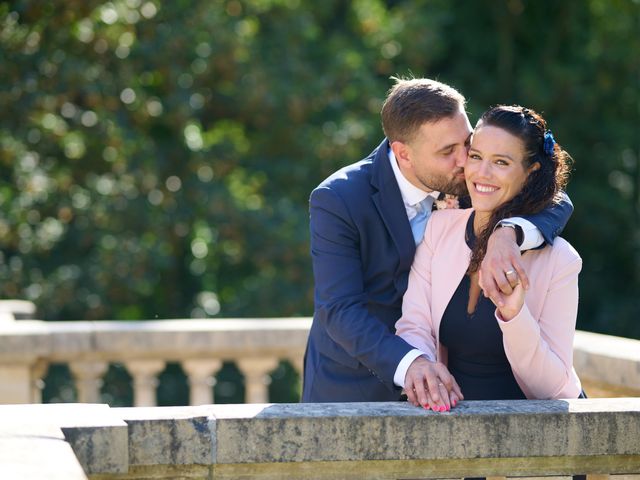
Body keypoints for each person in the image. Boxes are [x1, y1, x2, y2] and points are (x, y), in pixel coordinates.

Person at [301, 77, 574, 404]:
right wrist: (412, 363)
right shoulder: (338, 199)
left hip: (448, 392)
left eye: (467, 144)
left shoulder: (470, 182)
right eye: (448, 152)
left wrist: (508, 233)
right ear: (403, 153)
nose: (466, 162)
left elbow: (553, 198)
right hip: (354, 385)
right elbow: (340, 310)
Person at [396, 105, 582, 411]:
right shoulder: (440, 229)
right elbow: (415, 325)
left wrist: (514, 317)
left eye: (501, 162)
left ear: (530, 172)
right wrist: (424, 371)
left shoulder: (561, 261)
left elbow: (554, 388)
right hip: (450, 427)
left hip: (533, 439)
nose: (482, 173)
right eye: (476, 156)